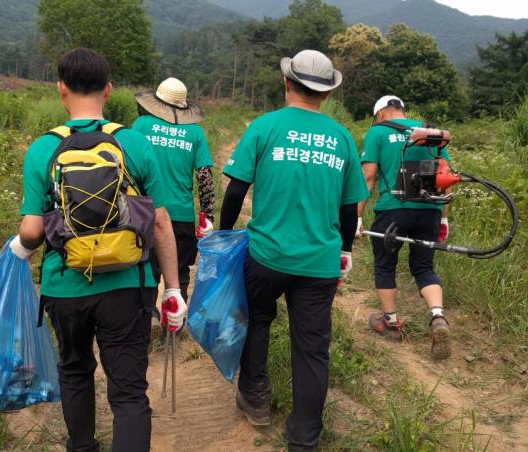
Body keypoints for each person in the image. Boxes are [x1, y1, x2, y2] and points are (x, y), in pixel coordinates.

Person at [8, 48, 186, 451]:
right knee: (127, 391)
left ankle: (83, 446)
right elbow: (159, 222)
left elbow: (33, 230)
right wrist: (172, 289)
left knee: (74, 372)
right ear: (108, 90)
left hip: (65, 286)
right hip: (127, 287)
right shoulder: (134, 144)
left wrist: (17, 248)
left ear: (61, 90)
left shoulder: (42, 149)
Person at [220, 50, 368, 451]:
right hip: (319, 263)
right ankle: (304, 437)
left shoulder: (265, 126)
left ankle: (255, 399)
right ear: (326, 94)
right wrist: (343, 249)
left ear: (287, 83)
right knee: (312, 348)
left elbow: (235, 189)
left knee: (258, 320)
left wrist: (223, 233)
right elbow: (348, 207)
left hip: (266, 255)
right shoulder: (341, 138)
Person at [356, 95, 452, 360]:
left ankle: (390, 323)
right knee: (424, 267)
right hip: (430, 210)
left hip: (393, 210)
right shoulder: (430, 133)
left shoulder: (377, 132)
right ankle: (438, 316)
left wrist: (358, 216)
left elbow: (368, 176)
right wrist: (443, 218)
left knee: (385, 264)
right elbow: (445, 178)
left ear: (382, 114)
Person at [132, 77, 215, 301]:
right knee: (179, 271)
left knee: (146, 271)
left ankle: (148, 317)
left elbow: (128, 167)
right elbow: (205, 176)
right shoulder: (195, 132)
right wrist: (208, 216)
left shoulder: (141, 126)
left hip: (144, 212)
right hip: (181, 215)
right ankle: (175, 320)